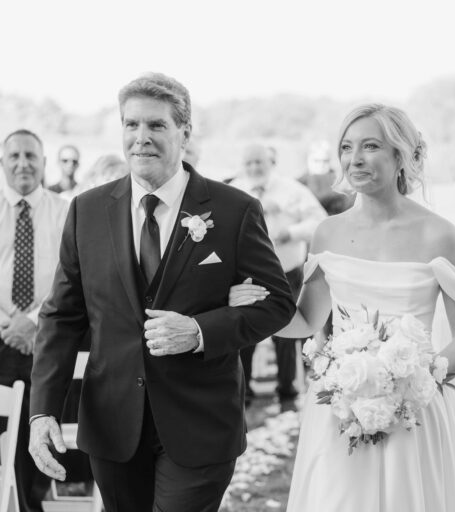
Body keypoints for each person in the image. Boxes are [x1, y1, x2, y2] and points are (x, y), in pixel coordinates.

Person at [28, 72, 295, 512]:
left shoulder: (234, 210)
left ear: (184, 133)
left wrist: (199, 331)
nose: (141, 137)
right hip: (113, 425)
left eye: (156, 125)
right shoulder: (87, 210)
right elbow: (61, 317)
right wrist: (43, 412)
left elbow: (279, 303)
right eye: (131, 124)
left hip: (201, 422)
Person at [231, 104, 455, 511]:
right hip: (340, 407)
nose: (355, 159)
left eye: (371, 146)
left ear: (401, 155)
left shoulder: (440, 235)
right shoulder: (328, 233)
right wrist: (251, 311)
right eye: (347, 147)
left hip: (415, 411)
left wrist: (413, 383)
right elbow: (306, 319)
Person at [0, 129, 69, 511]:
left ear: (43, 163)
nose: (23, 163)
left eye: (31, 156)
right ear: (3, 163)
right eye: (14, 156)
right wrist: (9, 325)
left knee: (36, 424)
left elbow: (71, 279)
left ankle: (28, 503)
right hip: (1, 334)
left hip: (45, 337)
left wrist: (30, 321)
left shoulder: (65, 211)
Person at [229, 144, 326, 410]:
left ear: (270, 162)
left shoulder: (293, 190)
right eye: (248, 163)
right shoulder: (234, 190)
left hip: (287, 273)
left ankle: (288, 394)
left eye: (259, 162)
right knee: (244, 332)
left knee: (287, 333)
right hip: (247, 277)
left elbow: (320, 221)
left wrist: (290, 232)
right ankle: (243, 395)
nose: (254, 168)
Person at [298, 140, 354, 215]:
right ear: (307, 160)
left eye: (325, 161)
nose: (321, 165)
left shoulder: (341, 182)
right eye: (316, 161)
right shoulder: (298, 184)